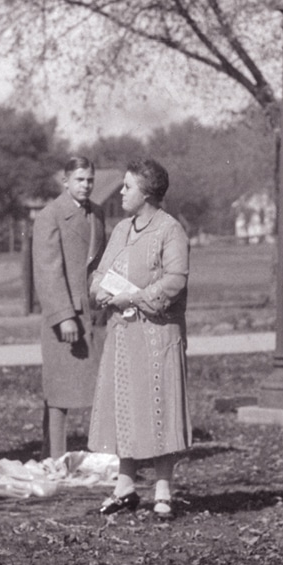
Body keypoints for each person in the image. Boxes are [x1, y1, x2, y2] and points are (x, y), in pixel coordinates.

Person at [89, 159, 192, 520]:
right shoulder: (121, 229)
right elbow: (100, 273)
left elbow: (176, 280)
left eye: (127, 187)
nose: (120, 192)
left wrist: (132, 297)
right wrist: (101, 291)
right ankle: (125, 486)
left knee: (158, 406)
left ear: (147, 193)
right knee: (125, 406)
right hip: (123, 334)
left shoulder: (170, 230)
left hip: (157, 334)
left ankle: (163, 488)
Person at [31, 156, 107, 460]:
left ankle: (102, 452)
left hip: (95, 314)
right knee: (60, 390)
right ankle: (54, 456)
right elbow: (48, 271)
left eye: (90, 180)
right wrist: (63, 316)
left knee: (99, 388)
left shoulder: (98, 214)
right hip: (66, 316)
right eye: (79, 179)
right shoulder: (50, 216)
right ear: (65, 181)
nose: (86, 185)